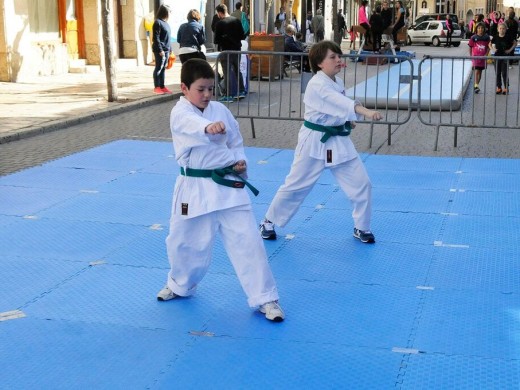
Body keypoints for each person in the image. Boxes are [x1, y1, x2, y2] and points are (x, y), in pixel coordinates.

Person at [157, 58, 285, 322]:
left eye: (210, 89)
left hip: (228, 186)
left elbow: (236, 141)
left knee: (248, 242)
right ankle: (180, 285)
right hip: (194, 188)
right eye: (200, 89)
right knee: (185, 242)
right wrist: (206, 127)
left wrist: (240, 162)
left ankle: (265, 298)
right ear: (184, 88)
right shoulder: (180, 112)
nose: (206, 95)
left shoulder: (220, 110)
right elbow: (189, 125)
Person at [259, 40, 382, 244]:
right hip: (314, 142)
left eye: (338, 56)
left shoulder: (337, 82)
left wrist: (348, 119)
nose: (338, 60)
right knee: (296, 185)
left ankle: (362, 227)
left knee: (362, 184)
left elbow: (338, 107)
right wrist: (364, 111)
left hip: (338, 142)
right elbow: (338, 102)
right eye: (332, 57)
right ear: (319, 63)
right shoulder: (316, 85)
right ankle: (268, 221)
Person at [214, 4, 246, 101]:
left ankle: (228, 95)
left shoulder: (220, 24)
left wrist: (224, 39)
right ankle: (241, 91)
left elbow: (216, 40)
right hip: (237, 49)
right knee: (237, 70)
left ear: (220, 13)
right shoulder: (236, 20)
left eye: (217, 13)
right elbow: (242, 35)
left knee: (227, 72)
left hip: (226, 51)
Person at [489, 22, 517, 94]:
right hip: (497, 56)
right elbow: (489, 44)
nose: (502, 30)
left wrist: (510, 50)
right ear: (498, 29)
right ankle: (499, 87)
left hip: (505, 56)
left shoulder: (508, 37)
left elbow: (515, 43)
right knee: (497, 73)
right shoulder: (495, 37)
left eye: (503, 29)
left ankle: (506, 88)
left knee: (504, 73)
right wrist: (493, 49)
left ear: (505, 29)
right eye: (500, 28)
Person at [152, 4, 172, 95]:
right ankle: (157, 87)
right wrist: (160, 50)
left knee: (163, 68)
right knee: (158, 67)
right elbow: (156, 38)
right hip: (160, 50)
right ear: (165, 12)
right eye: (169, 12)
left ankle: (162, 86)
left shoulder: (166, 23)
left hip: (166, 49)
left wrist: (170, 49)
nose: (170, 14)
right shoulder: (158, 22)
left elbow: (168, 37)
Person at [468, 22, 490, 93]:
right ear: (476, 29)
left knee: (480, 72)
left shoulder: (486, 37)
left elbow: (488, 47)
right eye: (479, 28)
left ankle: (476, 84)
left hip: (483, 58)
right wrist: (471, 56)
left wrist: (486, 54)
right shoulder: (473, 37)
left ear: (484, 29)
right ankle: (476, 86)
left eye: (482, 28)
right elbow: (470, 47)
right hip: (476, 57)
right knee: (477, 71)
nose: (480, 29)